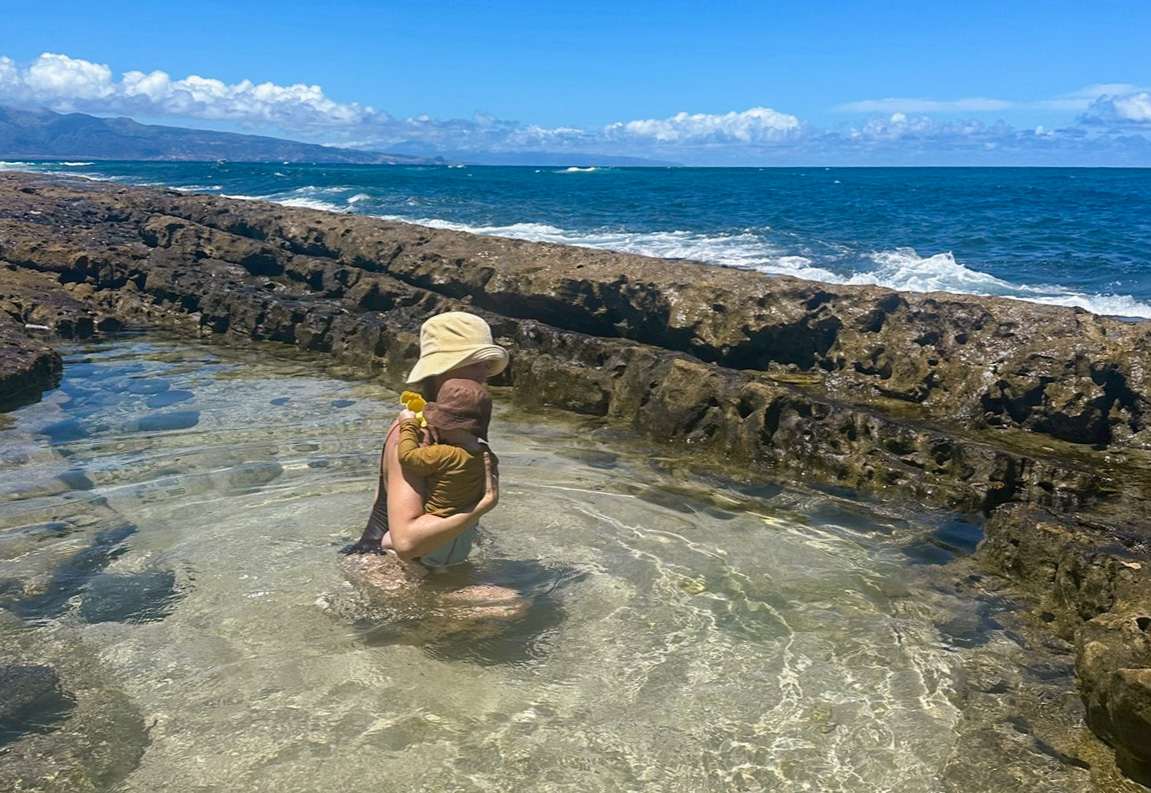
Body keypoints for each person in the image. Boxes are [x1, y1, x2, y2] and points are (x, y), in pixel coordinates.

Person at [342, 311, 508, 566]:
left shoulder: (457, 429)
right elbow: (406, 543)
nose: (484, 374)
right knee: (507, 606)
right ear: (443, 368)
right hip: (382, 563)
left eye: (486, 364)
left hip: (423, 562)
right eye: (475, 362)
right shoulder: (413, 432)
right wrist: (482, 507)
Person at [396, 379, 497, 566]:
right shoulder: (487, 456)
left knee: (388, 542)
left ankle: (417, 572)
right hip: (463, 536)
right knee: (446, 569)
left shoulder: (444, 453)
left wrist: (408, 424)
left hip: (435, 532)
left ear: (448, 425)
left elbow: (407, 456)